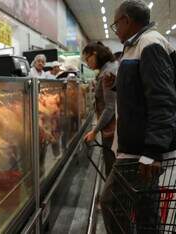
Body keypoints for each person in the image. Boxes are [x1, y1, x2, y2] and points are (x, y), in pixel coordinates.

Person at [101, 1, 176, 233]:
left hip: (140, 149)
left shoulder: (149, 44)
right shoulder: (135, 46)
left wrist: (153, 150)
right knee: (145, 210)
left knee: (111, 203)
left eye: (116, 25)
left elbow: (163, 99)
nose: (117, 30)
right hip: (138, 146)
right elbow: (142, 90)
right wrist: (116, 86)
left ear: (127, 20)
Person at [83, 42, 117, 177]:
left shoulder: (107, 73)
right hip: (112, 129)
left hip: (111, 131)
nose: (87, 62)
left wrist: (94, 130)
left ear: (95, 54)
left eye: (87, 58)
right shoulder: (109, 68)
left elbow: (110, 107)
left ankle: (110, 197)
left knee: (111, 169)